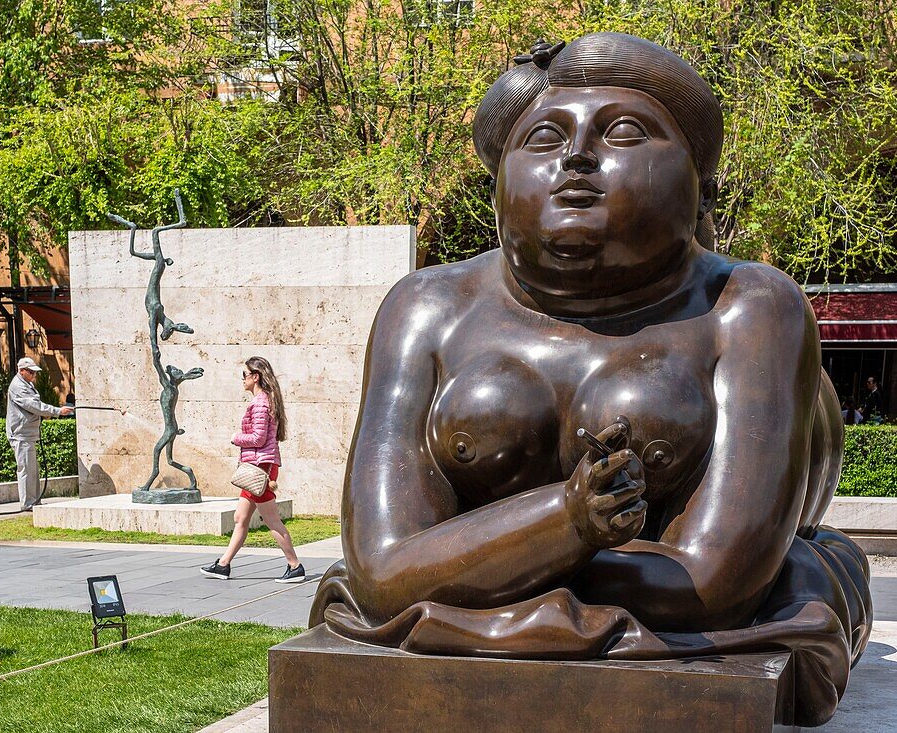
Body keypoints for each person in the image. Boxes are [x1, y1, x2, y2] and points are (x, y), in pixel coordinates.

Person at [310, 33, 870, 728]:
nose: (575, 156)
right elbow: (382, 568)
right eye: (544, 137)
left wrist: (468, 563)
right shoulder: (425, 308)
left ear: (698, 180)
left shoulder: (750, 310)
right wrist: (567, 522)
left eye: (624, 131)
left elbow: (718, 581)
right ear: (498, 187)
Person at [202, 357, 305, 583]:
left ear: (255, 376)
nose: (243, 380)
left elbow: (258, 438)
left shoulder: (261, 403)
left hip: (260, 469)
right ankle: (223, 565)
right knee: (240, 518)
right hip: (259, 467)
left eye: (245, 375)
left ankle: (295, 566)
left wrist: (235, 438)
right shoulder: (265, 401)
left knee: (272, 520)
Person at [6, 357, 73, 511]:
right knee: (25, 469)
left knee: (32, 470)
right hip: (21, 435)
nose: (33, 375)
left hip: (28, 434)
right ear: (21, 371)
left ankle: (34, 501)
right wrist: (57, 411)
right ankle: (27, 503)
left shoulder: (26, 384)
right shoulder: (17, 386)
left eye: (34, 372)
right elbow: (33, 405)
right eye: (30, 372)